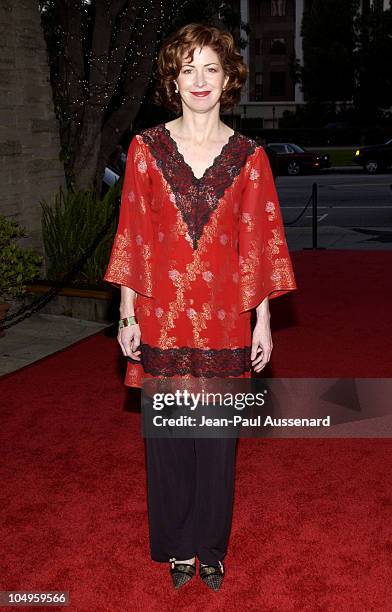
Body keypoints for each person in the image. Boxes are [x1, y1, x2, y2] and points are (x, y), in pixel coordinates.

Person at [103, 23, 297, 591]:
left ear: (228, 77)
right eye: (188, 68)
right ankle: (177, 546)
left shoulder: (250, 155)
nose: (199, 80)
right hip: (161, 316)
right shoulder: (145, 149)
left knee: (215, 443)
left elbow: (259, 244)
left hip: (225, 319)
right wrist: (127, 314)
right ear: (174, 79)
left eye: (210, 67)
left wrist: (262, 321)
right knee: (168, 442)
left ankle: (209, 547)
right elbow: (132, 236)